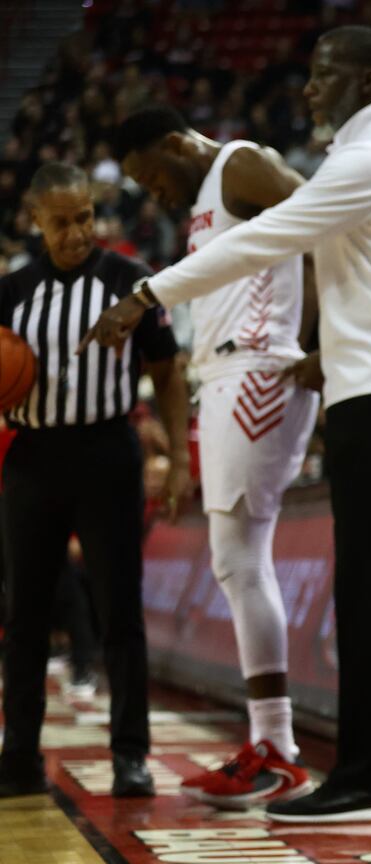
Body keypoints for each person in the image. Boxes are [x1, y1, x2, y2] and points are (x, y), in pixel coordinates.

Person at [86, 26, 371, 822]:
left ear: (368, 79)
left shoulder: (364, 160)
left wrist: (146, 295)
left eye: (322, 76)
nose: (307, 90)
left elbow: (265, 241)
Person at [110, 104, 321, 808]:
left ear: (175, 144)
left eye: (151, 176)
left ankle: (279, 747)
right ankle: (271, 743)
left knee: (238, 558)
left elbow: (324, 223)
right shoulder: (206, 196)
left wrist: (323, 337)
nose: (153, 194)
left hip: (261, 368)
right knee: (235, 561)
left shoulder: (241, 163)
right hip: (228, 375)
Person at [0, 162, 189, 799]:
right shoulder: (12, 291)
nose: (78, 231)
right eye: (62, 221)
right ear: (36, 221)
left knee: (120, 612)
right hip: (33, 456)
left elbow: (167, 372)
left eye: (85, 216)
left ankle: (130, 756)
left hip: (110, 451)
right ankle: (19, 757)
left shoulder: (128, 282)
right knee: (24, 615)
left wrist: (180, 462)